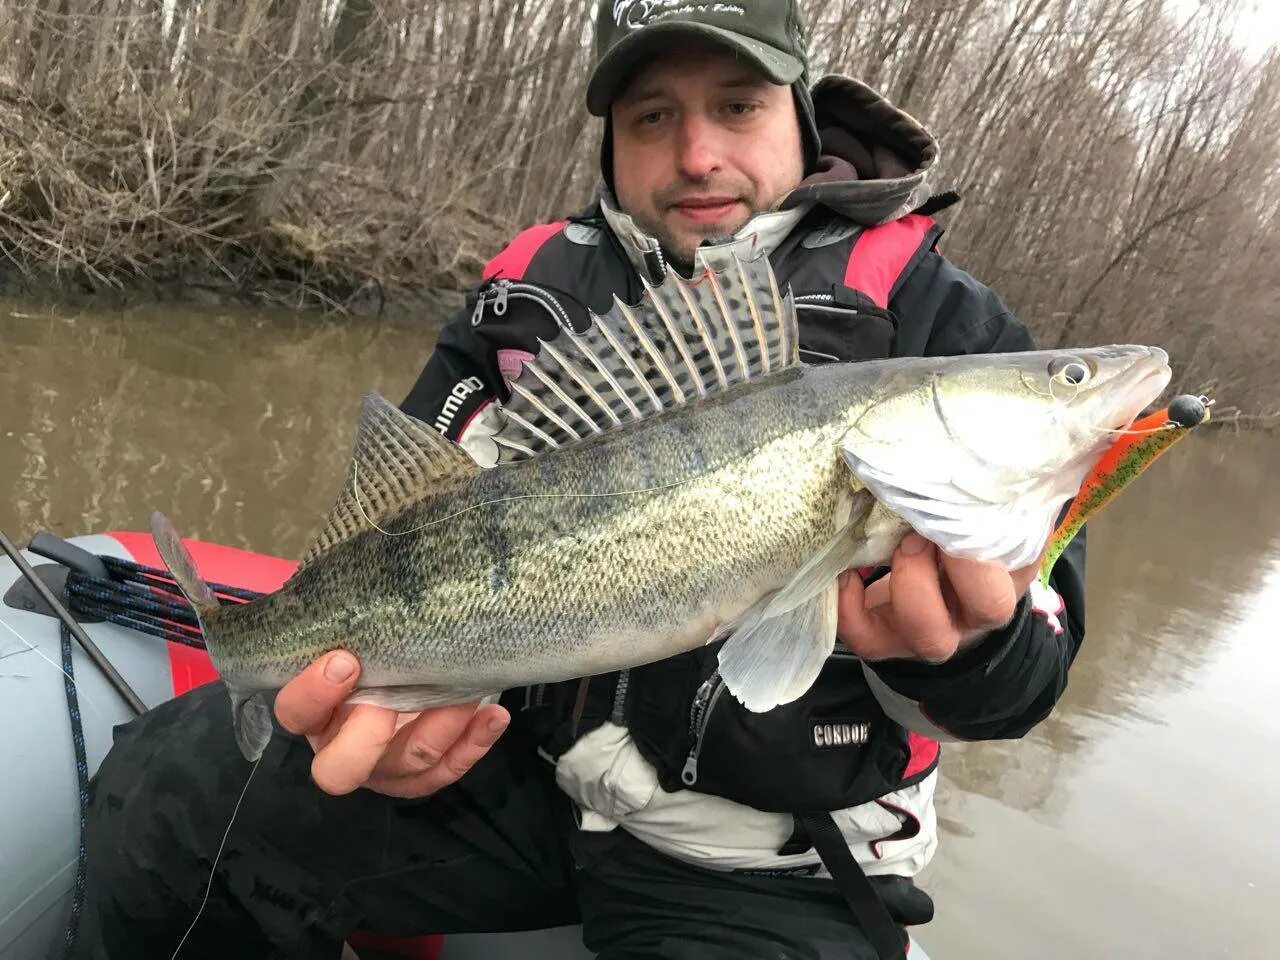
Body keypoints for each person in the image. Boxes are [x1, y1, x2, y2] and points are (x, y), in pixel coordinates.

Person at [77, 2, 1085, 957]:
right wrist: (384, 701)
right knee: (164, 801)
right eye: (652, 116)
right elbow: (406, 511)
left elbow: (1029, 678)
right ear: (610, 138)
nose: (696, 154)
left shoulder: (940, 326)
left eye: (737, 105)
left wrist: (965, 652)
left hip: (772, 863)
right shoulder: (526, 295)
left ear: (801, 110)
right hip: (518, 770)